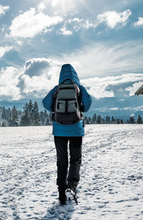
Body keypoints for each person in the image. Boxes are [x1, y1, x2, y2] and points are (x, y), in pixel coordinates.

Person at [42, 64, 92, 205]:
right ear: (75, 75)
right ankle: (72, 186)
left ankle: (61, 193)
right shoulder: (79, 88)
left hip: (59, 130)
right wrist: (80, 107)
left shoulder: (56, 89)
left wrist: (56, 109)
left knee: (61, 161)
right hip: (76, 129)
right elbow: (88, 104)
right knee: (75, 159)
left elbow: (45, 103)